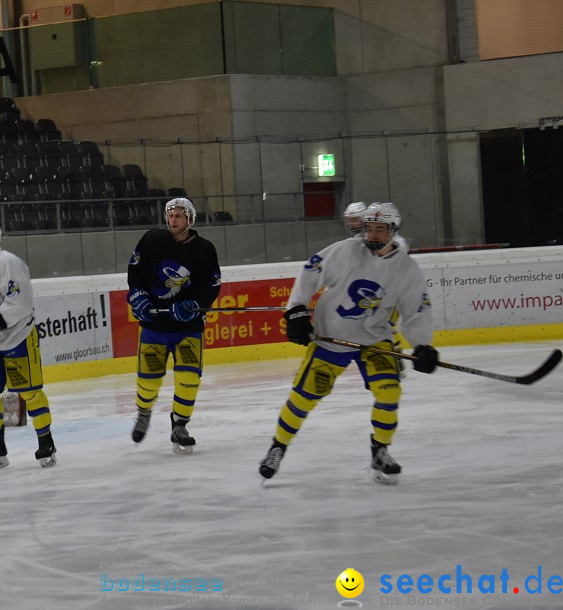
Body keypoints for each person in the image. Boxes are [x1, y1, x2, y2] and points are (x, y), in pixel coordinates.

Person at [258, 202, 439, 485]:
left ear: (393, 231)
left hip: (375, 339)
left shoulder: (406, 269)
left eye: (380, 229)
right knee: (303, 398)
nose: (373, 234)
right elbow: (311, 270)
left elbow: (416, 310)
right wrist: (297, 309)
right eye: (369, 228)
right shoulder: (346, 250)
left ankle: (380, 451)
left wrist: (422, 345)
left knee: (389, 392)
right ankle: (277, 448)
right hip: (332, 335)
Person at [126, 197, 221, 454]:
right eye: (170, 215)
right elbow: (135, 271)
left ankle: (179, 424)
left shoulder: (204, 249)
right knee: (148, 380)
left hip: (187, 329)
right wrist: (138, 295)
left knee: (189, 379)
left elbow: (211, 286)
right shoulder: (152, 239)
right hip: (154, 326)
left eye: (179, 215)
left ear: (190, 219)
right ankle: (144, 412)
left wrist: (193, 305)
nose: (173, 219)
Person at [0, 217, 56, 469]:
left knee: (29, 392)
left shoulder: (10, 263)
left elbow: (21, 303)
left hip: (18, 337)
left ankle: (46, 441)